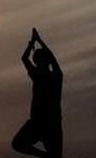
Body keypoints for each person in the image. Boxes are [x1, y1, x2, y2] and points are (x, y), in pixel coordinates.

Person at [12, 28, 63, 158]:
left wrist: (33, 43)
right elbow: (48, 58)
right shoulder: (54, 76)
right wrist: (38, 41)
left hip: (47, 123)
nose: (35, 61)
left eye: (37, 59)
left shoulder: (46, 76)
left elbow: (25, 58)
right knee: (18, 144)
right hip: (45, 123)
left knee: (18, 144)